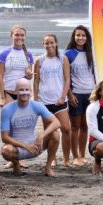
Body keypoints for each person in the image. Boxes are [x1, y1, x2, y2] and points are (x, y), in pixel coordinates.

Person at [0, 78, 61, 177]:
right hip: (17, 149)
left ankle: (48, 167)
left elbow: (57, 122)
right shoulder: (7, 109)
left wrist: (42, 135)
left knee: (55, 134)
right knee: (5, 150)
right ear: (16, 91)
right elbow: (4, 137)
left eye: (27, 90)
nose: (25, 93)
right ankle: (16, 164)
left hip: (35, 146)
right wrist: (25, 146)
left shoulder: (37, 105)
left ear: (31, 91)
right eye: (21, 90)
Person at [34, 34, 71, 167]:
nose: (49, 45)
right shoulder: (39, 60)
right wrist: (35, 99)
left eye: (51, 43)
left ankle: (66, 159)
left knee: (66, 129)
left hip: (60, 101)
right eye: (46, 43)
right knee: (50, 132)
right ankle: (53, 158)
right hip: (45, 102)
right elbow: (36, 80)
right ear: (43, 45)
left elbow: (67, 79)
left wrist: (63, 97)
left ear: (56, 43)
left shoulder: (63, 59)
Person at [65, 25, 96, 166]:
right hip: (76, 93)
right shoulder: (69, 54)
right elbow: (64, 77)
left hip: (90, 94)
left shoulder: (92, 53)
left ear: (87, 37)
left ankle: (82, 155)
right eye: (78, 35)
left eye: (83, 35)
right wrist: (70, 95)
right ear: (74, 37)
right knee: (75, 126)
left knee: (85, 126)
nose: (80, 38)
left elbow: (95, 75)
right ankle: (75, 156)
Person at [0, 25, 33, 107]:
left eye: (22, 35)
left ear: (25, 37)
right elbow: (0, 76)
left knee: (22, 119)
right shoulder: (4, 53)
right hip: (8, 93)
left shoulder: (28, 54)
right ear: (11, 36)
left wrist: (29, 74)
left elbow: (29, 77)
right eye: (17, 35)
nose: (19, 37)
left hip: (24, 94)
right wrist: (2, 97)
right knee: (9, 119)